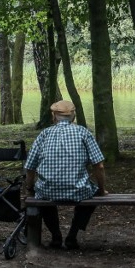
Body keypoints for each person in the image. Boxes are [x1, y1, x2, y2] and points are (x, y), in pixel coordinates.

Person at [24, 100, 108, 250]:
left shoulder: (44, 134)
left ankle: (56, 236)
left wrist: (29, 188)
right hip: (78, 190)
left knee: (41, 194)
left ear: (54, 116)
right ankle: (72, 235)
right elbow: (99, 166)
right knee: (92, 194)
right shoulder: (83, 132)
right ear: (73, 116)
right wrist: (101, 190)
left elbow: (30, 167)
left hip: (48, 190)